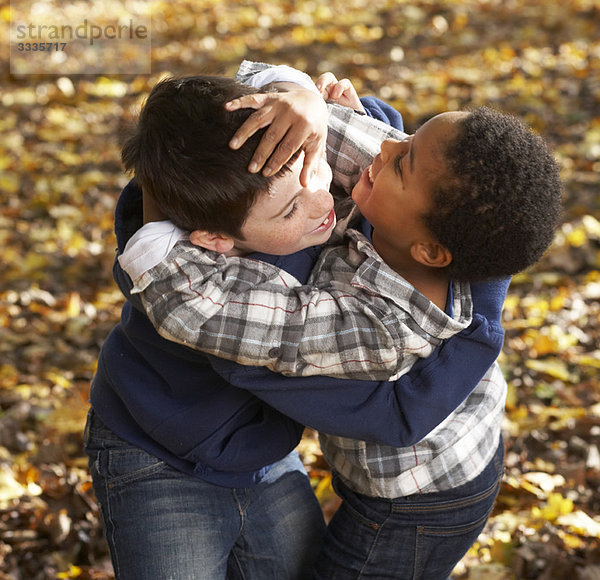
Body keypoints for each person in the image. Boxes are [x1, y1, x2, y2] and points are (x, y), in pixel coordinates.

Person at [113, 62, 562, 579]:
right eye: (409, 138)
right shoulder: (422, 203)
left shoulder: (381, 328)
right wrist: (297, 98)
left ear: (430, 251)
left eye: (401, 162)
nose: (387, 145)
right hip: (437, 457)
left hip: (418, 500)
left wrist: (151, 239)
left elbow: (215, 312)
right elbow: (299, 125)